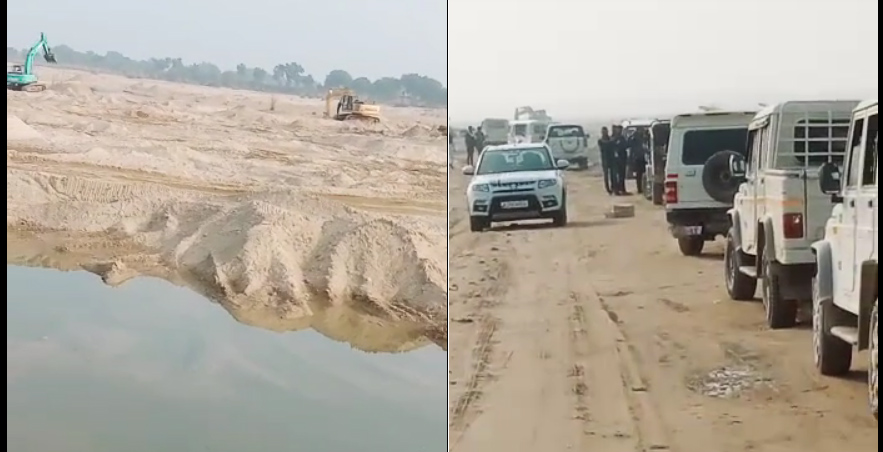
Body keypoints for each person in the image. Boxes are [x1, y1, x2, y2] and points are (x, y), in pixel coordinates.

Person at [611, 125, 630, 195]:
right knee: (616, 176)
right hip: (616, 160)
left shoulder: (622, 138)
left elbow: (626, 145)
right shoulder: (614, 138)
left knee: (622, 175)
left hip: (622, 159)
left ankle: (622, 189)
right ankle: (616, 190)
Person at [597, 127, 616, 195]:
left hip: (611, 159)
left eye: (605, 131)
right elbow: (604, 145)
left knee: (613, 175)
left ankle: (613, 187)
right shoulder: (600, 141)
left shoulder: (610, 139)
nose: (605, 133)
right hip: (605, 160)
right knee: (606, 175)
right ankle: (608, 189)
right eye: (603, 132)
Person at [629, 129, 648, 194]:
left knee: (640, 175)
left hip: (640, 158)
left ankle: (641, 188)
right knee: (639, 175)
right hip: (638, 158)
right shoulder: (635, 140)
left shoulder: (638, 139)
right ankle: (640, 188)